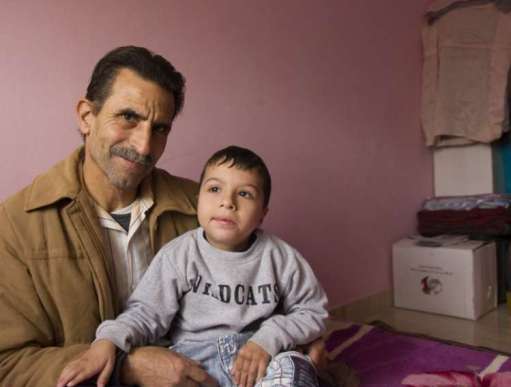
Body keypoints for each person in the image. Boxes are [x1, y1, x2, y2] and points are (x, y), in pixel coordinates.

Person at [0, 46, 327, 387]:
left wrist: (300, 340)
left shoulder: (202, 206)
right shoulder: (15, 225)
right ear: (86, 116)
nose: (143, 146)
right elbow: (7, 364)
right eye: (129, 117)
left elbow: (262, 297)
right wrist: (128, 370)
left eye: (160, 129)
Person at [57, 146, 329, 387]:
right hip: (194, 365)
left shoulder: (281, 258)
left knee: (295, 365)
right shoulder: (180, 255)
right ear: (198, 200)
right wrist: (109, 340)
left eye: (244, 194)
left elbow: (313, 311)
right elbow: (146, 312)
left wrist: (270, 338)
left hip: (257, 359)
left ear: (262, 213)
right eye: (214, 189)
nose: (227, 202)